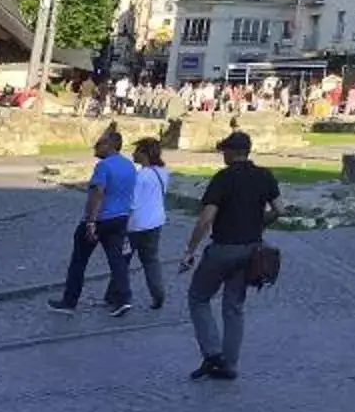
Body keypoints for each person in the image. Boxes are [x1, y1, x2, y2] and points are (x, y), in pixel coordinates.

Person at [179, 130, 278, 380]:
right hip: (252, 249)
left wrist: (190, 250)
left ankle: (212, 354)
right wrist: (258, 223)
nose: (222, 154)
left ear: (232, 152)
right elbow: (280, 209)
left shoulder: (223, 178)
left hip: (223, 248)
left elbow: (206, 219)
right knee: (234, 306)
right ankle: (230, 364)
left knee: (198, 298)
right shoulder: (264, 176)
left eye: (224, 150)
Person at [52, 129, 138, 316]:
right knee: (117, 260)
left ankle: (69, 301)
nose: (95, 146)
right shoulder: (129, 166)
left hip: (101, 219)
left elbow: (97, 193)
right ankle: (123, 298)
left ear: (110, 145)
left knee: (79, 261)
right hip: (121, 218)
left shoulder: (104, 167)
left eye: (100, 143)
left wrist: (91, 221)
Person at [123, 137, 175, 310]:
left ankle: (118, 295)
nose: (133, 153)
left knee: (122, 261)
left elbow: (132, 203)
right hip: (155, 222)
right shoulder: (163, 172)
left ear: (144, 154)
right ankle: (158, 293)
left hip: (135, 225)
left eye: (137, 150)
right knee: (151, 261)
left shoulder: (140, 177)